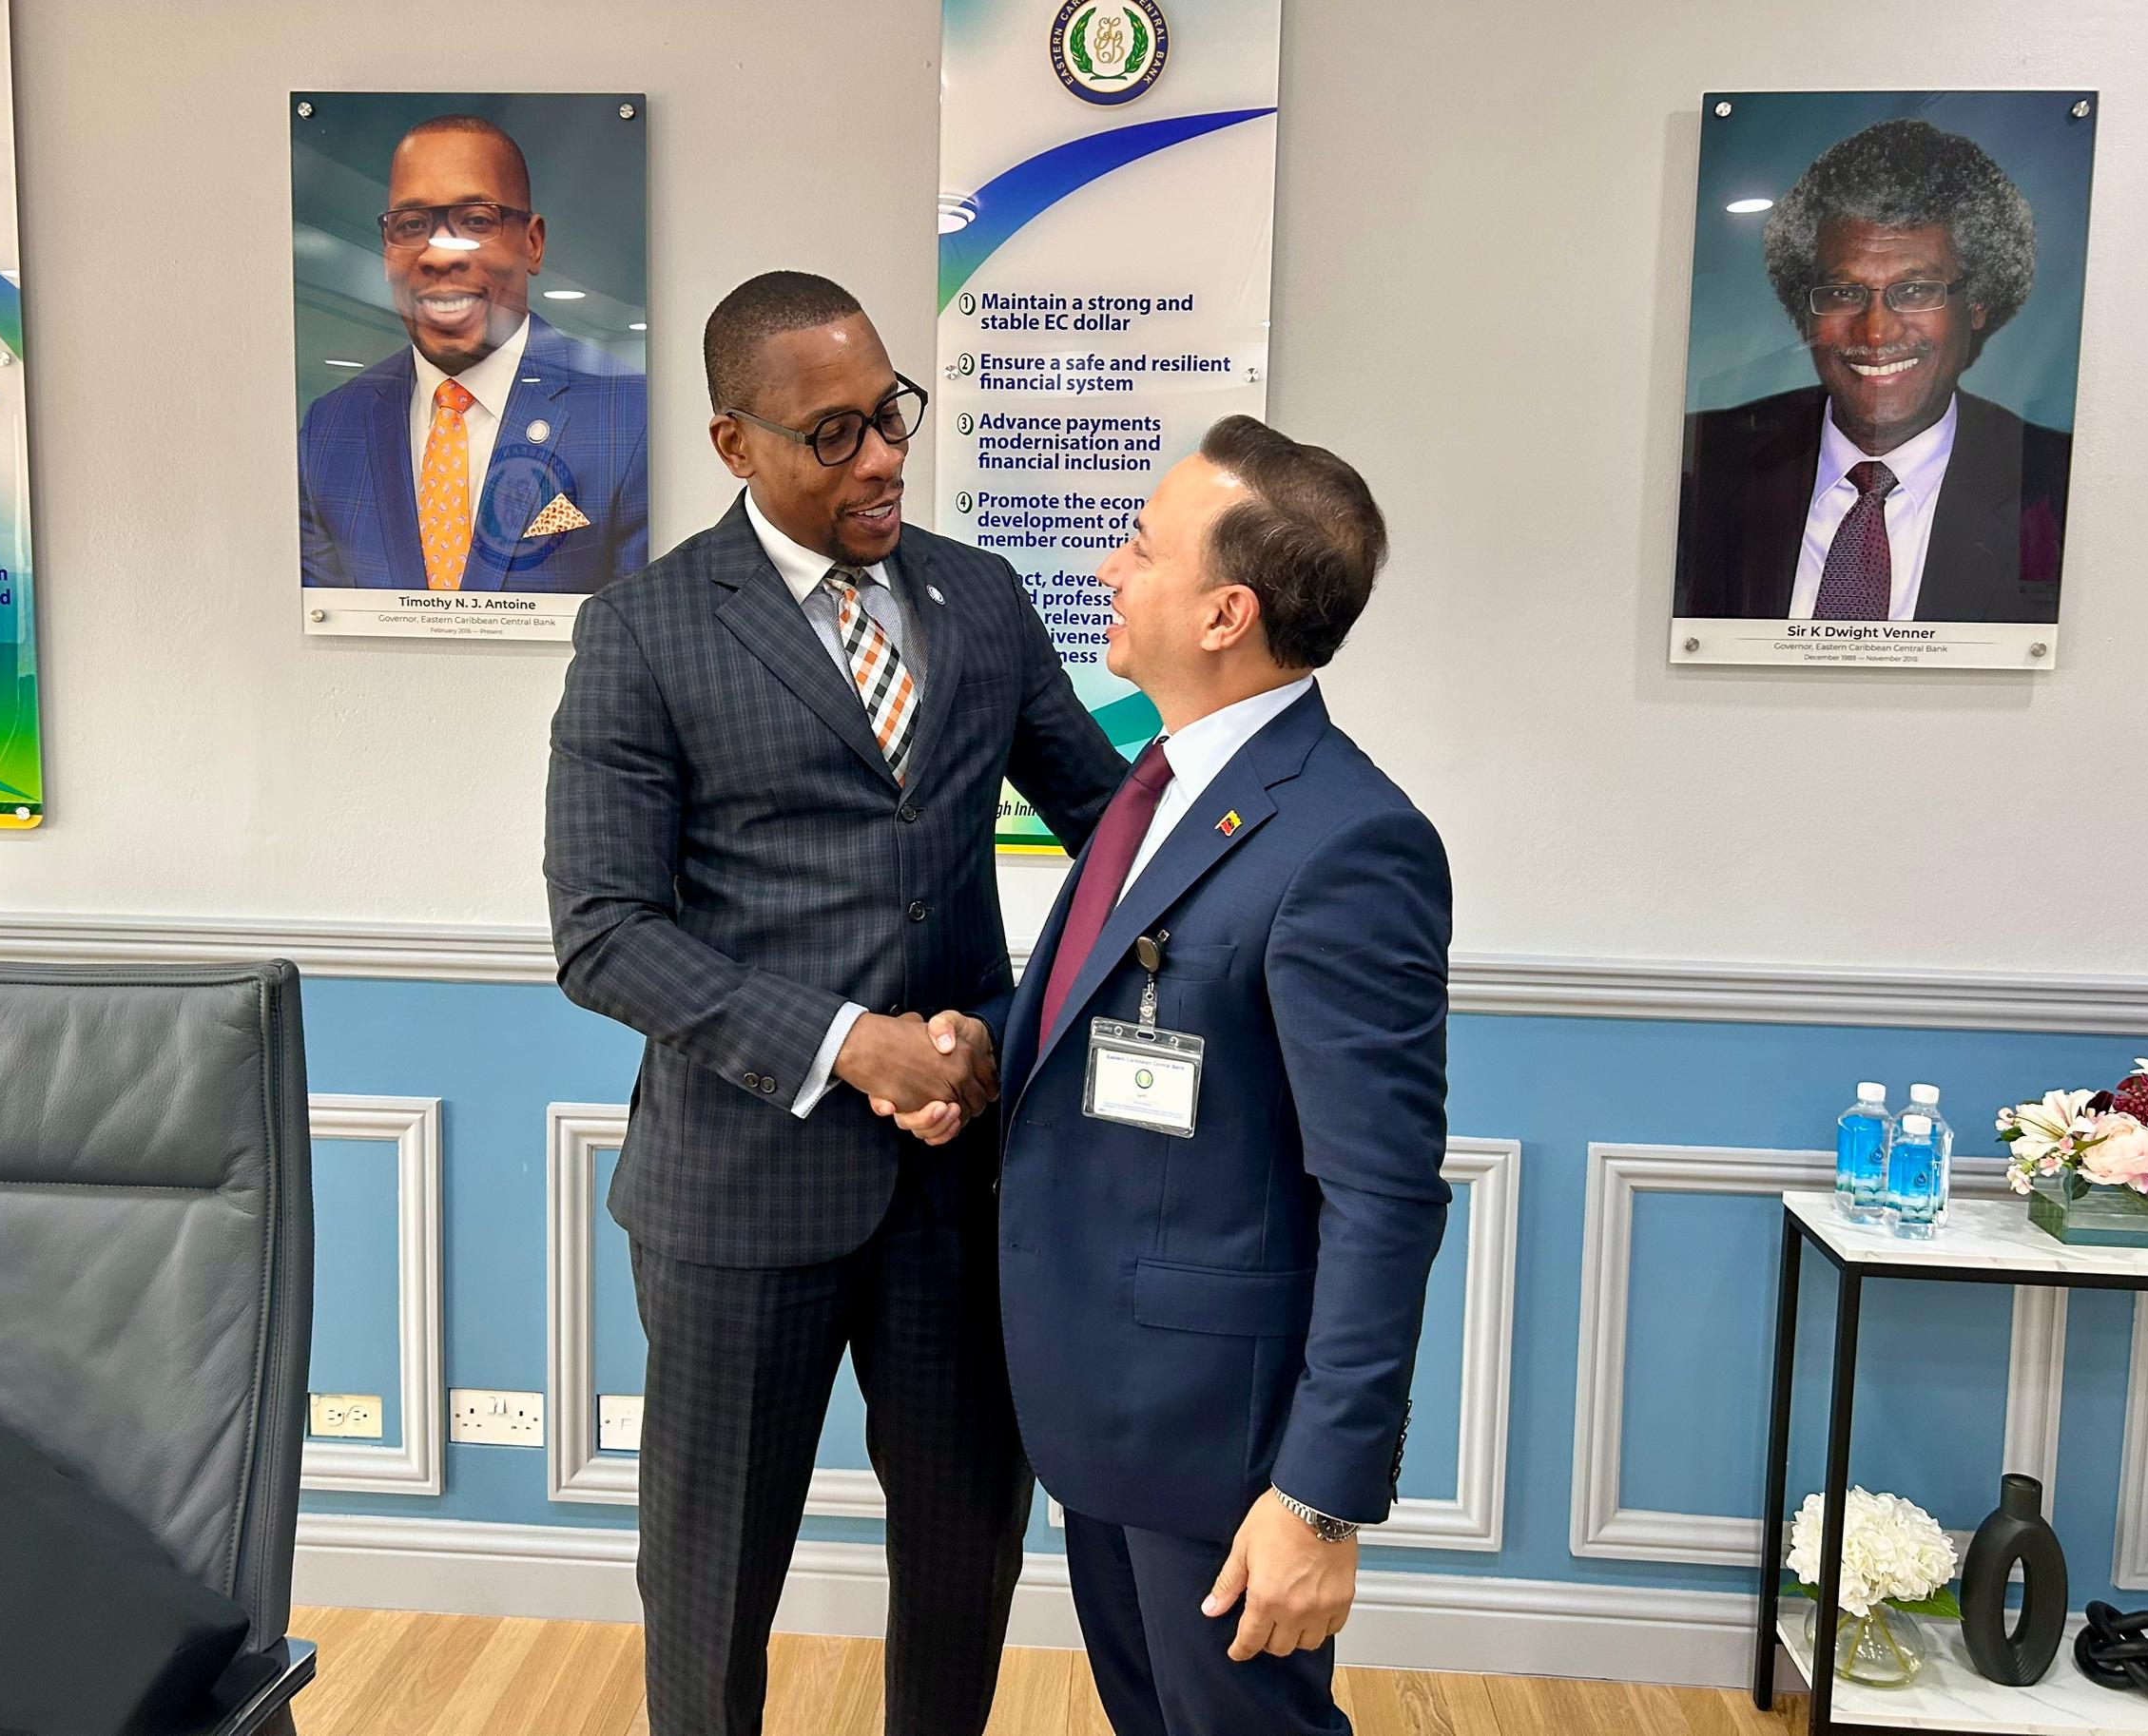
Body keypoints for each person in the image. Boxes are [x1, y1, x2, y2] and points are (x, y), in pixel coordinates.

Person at [543, 270, 1124, 1736]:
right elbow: (603, 934)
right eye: (832, 434)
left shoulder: (981, 597)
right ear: (735, 443)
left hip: (959, 1187)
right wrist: (847, 1045)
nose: (881, 459)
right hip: (739, 1196)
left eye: (891, 414)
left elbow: (1112, 835)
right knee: (712, 1586)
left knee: (965, 1557)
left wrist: (999, 1029)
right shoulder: (644, 629)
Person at [880, 415, 1451, 1735]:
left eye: (1139, 547)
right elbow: (1127, 1004)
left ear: (1224, 613)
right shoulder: (1165, 779)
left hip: (1220, 1437)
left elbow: (1383, 1199)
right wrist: (990, 1039)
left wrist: (1319, 1500)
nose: (1108, 570)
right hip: (1107, 1403)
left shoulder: (1350, 842)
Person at [1674, 118, 2069, 624]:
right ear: (1805, 312)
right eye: (1844, 293)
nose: (1877, 332)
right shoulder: (1701, 464)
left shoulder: (2056, 484)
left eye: (1915, 290)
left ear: (1976, 303)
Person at [299, 113, 647, 594]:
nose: (440, 255)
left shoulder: (630, 417)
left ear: (532, 244)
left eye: (477, 221)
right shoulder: (330, 428)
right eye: (411, 225)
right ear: (385, 249)